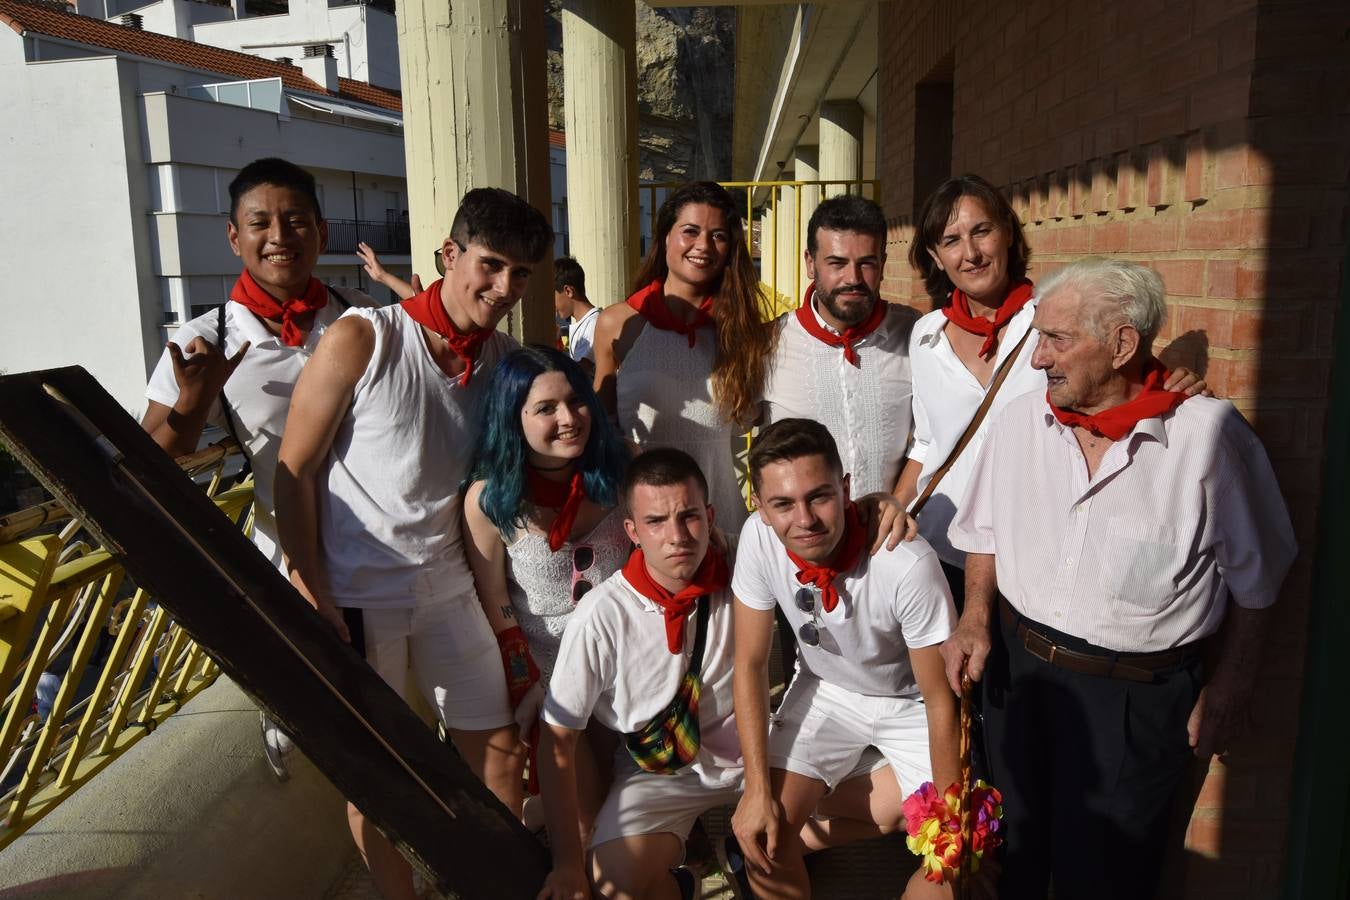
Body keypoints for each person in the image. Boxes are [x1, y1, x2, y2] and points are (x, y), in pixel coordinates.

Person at [943, 258, 1297, 900]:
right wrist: (973, 617)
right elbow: (985, 531)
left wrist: (1233, 682)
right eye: (1038, 338)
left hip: (1133, 705)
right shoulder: (1021, 420)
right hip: (1018, 680)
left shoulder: (1208, 439)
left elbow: (1260, 578)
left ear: (1122, 344)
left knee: (1105, 879)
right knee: (1012, 859)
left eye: (1056, 340)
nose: (1037, 359)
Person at [274, 187, 553, 900]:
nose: (503, 288)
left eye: (520, 275)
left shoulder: (506, 360)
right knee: (377, 778)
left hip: (451, 583)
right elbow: (295, 468)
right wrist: (312, 586)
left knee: (497, 749)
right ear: (449, 255)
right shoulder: (364, 337)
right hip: (360, 593)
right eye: (491, 265)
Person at [141, 156, 375, 779]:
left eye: (296, 221)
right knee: (321, 721)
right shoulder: (202, 339)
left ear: (321, 233)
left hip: (381, 550)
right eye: (261, 222)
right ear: (234, 236)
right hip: (289, 557)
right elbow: (150, 461)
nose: (279, 236)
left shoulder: (362, 315)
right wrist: (192, 403)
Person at [894, 174, 1205, 604]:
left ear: (1007, 233)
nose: (970, 253)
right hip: (938, 547)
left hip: (1031, 556)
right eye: (951, 240)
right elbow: (928, 443)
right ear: (935, 255)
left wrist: (1172, 387)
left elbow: (1124, 382)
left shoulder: (1056, 319)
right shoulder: (926, 336)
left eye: (981, 231)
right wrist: (895, 510)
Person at [730, 418, 959, 899]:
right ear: (760, 507)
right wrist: (755, 792)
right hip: (827, 691)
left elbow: (940, 700)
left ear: (847, 487)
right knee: (763, 837)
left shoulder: (908, 564)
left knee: (952, 861)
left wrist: (955, 824)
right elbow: (750, 664)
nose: (805, 520)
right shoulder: (757, 538)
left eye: (819, 496)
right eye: (783, 504)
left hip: (910, 704)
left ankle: (816, 830)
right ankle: (798, 831)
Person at [537, 448, 743, 900]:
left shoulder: (744, 564)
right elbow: (557, 739)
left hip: (753, 753)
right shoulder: (602, 616)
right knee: (614, 881)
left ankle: (742, 857)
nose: (677, 537)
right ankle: (681, 885)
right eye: (656, 522)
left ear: (710, 516)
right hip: (658, 770)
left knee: (888, 802)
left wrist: (876, 506)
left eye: (689, 516)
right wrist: (568, 864)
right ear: (632, 531)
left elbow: (810, 528)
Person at [461, 345, 631, 829]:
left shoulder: (624, 471)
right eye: (545, 409)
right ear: (513, 419)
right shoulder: (489, 501)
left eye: (577, 401)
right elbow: (496, 600)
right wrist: (527, 685)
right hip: (554, 682)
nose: (570, 418)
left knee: (631, 819)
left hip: (628, 671)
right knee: (587, 821)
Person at [592, 181, 777, 534]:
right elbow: (600, 425)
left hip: (722, 515)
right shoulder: (618, 323)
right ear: (665, 237)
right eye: (690, 231)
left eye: (718, 236)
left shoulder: (741, 331)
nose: (703, 246)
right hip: (647, 516)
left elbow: (765, 420)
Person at [761, 194, 918, 497]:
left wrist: (897, 504)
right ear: (811, 262)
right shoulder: (768, 344)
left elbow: (933, 437)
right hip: (800, 539)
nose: (853, 278)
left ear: (883, 264)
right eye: (837, 263)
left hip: (891, 538)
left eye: (867, 263)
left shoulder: (915, 334)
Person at [554, 257, 600, 374]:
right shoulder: (583, 324)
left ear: (568, 291)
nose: (552, 305)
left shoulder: (594, 324)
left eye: (552, 297)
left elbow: (579, 372)